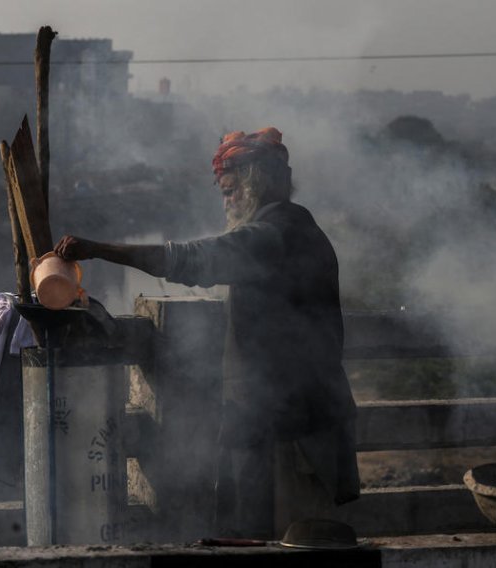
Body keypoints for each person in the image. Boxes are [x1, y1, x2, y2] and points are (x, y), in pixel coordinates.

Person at [55, 127, 359, 538]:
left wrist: (99, 250)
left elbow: (192, 261)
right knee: (254, 538)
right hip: (269, 423)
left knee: (292, 543)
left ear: (260, 184)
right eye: (223, 192)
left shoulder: (275, 236)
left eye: (231, 190)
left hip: (293, 433)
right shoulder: (289, 229)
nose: (227, 201)